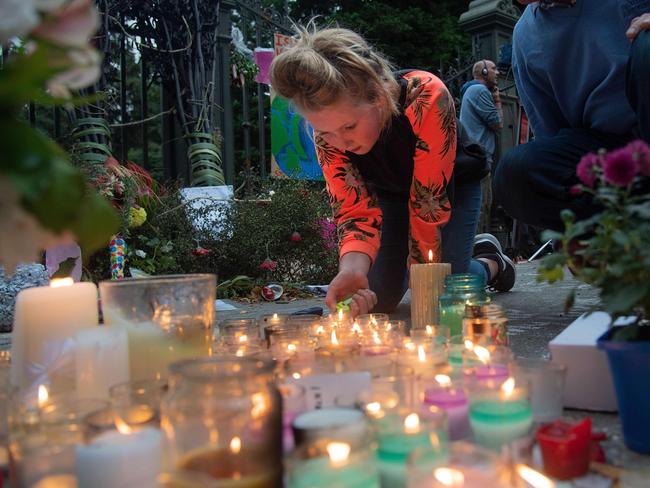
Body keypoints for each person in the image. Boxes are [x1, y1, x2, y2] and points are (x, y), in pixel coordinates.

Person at [270, 24, 515, 317]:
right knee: (376, 299)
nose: (341, 142)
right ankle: (463, 261)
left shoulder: (426, 95)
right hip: (390, 193)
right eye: (325, 132)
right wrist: (351, 269)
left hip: (451, 188)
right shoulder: (329, 135)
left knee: (444, 294)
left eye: (349, 126)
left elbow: (428, 203)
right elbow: (354, 211)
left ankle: (491, 264)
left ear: (379, 95)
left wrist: (424, 278)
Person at [494, 1, 650, 232]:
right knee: (516, 174)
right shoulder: (526, 35)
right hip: (611, 154)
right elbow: (553, 135)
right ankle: (611, 240)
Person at [442, 59, 514, 287]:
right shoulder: (479, 90)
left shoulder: (470, 92)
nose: (497, 72)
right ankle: (485, 257)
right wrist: (497, 97)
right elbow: (497, 122)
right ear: (482, 71)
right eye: (492, 69)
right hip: (475, 162)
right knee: (482, 210)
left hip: (469, 162)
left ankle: (476, 256)